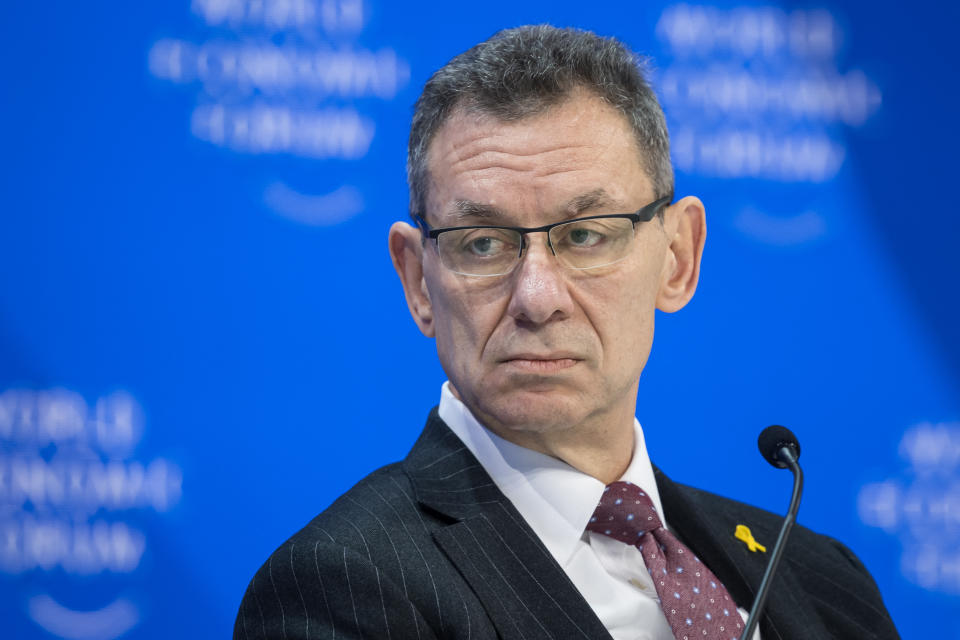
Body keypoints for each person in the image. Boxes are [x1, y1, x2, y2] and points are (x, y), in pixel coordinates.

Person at [234, 25, 899, 640]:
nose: (537, 298)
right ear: (417, 281)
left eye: (585, 235)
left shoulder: (819, 579)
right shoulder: (339, 589)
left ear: (678, 258)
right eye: (483, 243)